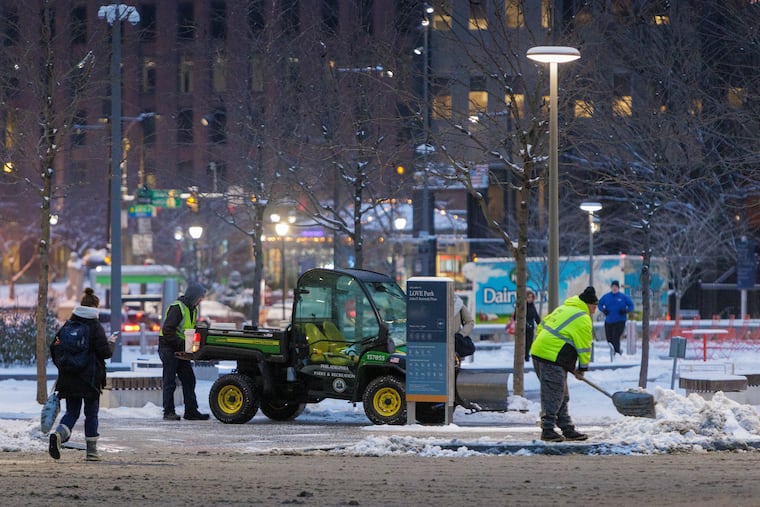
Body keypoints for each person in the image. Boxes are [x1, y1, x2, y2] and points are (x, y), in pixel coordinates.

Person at [49, 288, 116, 461]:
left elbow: (54, 345)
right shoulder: (95, 326)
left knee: (72, 412)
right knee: (91, 414)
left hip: (69, 378)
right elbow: (105, 352)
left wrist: (64, 366)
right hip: (90, 380)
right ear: (95, 307)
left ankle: (58, 435)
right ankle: (92, 452)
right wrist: (111, 344)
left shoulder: (68, 326)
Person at [530, 286, 597, 442]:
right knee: (553, 394)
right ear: (587, 304)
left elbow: (541, 327)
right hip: (551, 357)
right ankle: (547, 429)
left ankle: (566, 427)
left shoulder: (564, 308)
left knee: (560, 393)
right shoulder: (582, 318)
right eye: (594, 307)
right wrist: (582, 368)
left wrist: (545, 347)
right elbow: (584, 346)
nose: (594, 311)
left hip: (540, 352)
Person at [159, 283, 210, 421]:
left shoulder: (192, 309)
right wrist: (182, 344)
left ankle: (191, 411)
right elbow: (167, 330)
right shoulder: (178, 308)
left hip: (180, 348)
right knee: (170, 380)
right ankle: (168, 411)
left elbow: (188, 329)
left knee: (189, 379)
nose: (200, 301)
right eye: (200, 298)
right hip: (168, 347)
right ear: (193, 296)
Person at [598, 280, 634, 356]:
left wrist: (625, 311)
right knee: (609, 338)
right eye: (613, 287)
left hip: (620, 320)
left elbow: (631, 306)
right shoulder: (607, 296)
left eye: (616, 287)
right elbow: (599, 304)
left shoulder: (623, 297)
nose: (614, 288)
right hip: (609, 321)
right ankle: (613, 351)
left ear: (618, 288)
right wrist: (604, 310)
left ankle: (616, 353)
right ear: (611, 287)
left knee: (616, 337)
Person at [516, 289, 541, 362]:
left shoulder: (532, 306)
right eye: (528, 297)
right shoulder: (522, 307)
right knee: (523, 344)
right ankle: (525, 357)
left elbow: (536, 316)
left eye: (531, 297)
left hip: (531, 327)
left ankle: (526, 356)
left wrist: (541, 324)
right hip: (523, 328)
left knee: (529, 343)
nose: (530, 299)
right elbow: (516, 316)